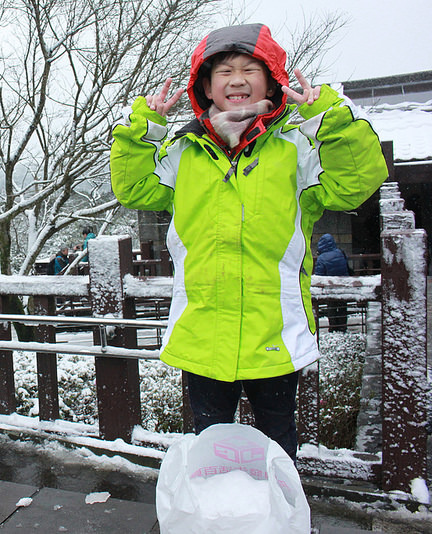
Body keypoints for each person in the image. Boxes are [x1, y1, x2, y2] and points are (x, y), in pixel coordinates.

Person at [110, 23, 387, 461]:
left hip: (273, 330)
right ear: (205, 86)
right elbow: (134, 187)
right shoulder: (184, 153)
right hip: (202, 332)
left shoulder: (296, 149)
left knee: (277, 446)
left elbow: (355, 182)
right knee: (212, 447)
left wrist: (329, 117)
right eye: (223, 71)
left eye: (249, 69)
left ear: (271, 80)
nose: (236, 79)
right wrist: (147, 124)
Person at [313, 233, 350, 332]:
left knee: (332, 307)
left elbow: (319, 275)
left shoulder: (321, 258)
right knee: (342, 306)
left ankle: (333, 327)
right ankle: (343, 326)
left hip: (330, 287)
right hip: (343, 285)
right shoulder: (340, 253)